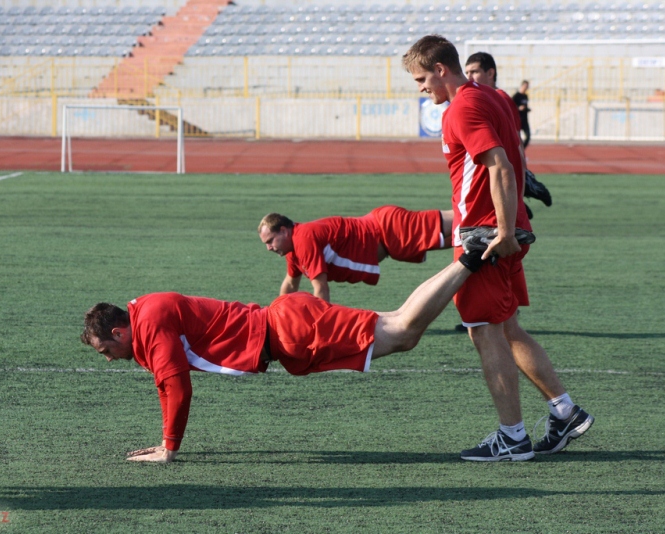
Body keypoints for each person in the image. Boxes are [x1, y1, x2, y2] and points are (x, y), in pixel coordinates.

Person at [81, 249, 489, 463]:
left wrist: (169, 447)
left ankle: (470, 258)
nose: (110, 359)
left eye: (107, 350)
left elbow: (176, 387)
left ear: (118, 331)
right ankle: (468, 257)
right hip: (286, 326)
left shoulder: (149, 321)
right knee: (398, 323)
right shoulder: (145, 309)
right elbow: (167, 383)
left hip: (290, 332)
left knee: (403, 333)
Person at [403, 35, 593, 462]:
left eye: (420, 78)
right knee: (507, 326)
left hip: (486, 236)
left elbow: (500, 166)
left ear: (440, 69)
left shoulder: (463, 108)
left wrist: (503, 231)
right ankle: (564, 411)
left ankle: (513, 437)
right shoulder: (493, 97)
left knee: (483, 330)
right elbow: (513, 159)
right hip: (505, 229)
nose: (419, 88)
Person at [258, 206, 453, 302]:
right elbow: (290, 284)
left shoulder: (303, 239)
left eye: (270, 241)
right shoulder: (294, 250)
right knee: (464, 236)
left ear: (284, 231)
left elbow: (321, 289)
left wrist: (319, 325)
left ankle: (481, 206)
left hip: (389, 228)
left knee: (462, 219)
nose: (269, 247)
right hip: (388, 238)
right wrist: (277, 314)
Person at [464, 52, 552, 211]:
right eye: (467, 73)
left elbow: (516, 140)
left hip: (503, 173)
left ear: (490, 73)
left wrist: (521, 176)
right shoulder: (480, 98)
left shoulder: (501, 98)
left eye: (474, 72)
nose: (469, 77)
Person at [512, 80, 532, 148]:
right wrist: (518, 108)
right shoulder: (516, 96)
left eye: (527, 86)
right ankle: (518, 152)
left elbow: (525, 106)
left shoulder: (526, 96)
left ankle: (522, 151)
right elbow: (511, 107)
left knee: (528, 136)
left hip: (525, 120)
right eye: (526, 86)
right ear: (522, 86)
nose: (526, 88)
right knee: (517, 138)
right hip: (518, 120)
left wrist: (527, 109)